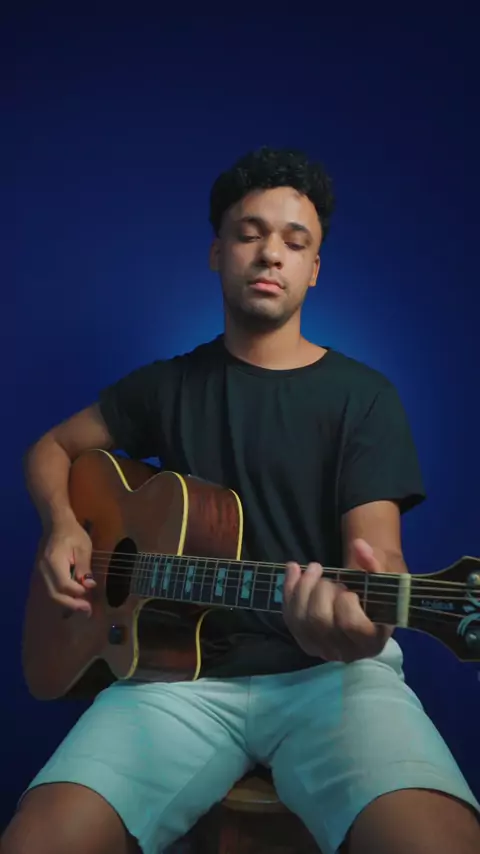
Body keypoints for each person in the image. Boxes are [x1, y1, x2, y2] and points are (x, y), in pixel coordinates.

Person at [3, 147, 479, 854]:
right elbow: (49, 448)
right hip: (173, 680)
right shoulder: (166, 386)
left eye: (295, 241)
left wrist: (360, 630)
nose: (270, 254)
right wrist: (63, 527)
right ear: (217, 252)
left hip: (331, 680)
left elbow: (379, 558)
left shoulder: (365, 398)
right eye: (249, 233)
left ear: (314, 269)